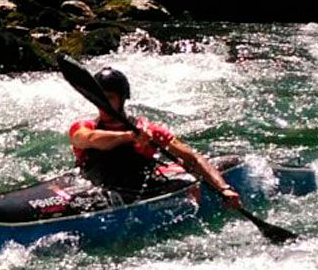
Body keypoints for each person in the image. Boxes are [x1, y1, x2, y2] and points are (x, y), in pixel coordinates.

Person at [68, 67, 242, 207]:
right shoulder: (85, 127)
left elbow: (193, 158)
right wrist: (128, 136)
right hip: (92, 186)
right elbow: (87, 138)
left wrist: (223, 188)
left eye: (109, 98)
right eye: (99, 99)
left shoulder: (148, 131)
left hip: (137, 189)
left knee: (187, 183)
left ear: (122, 99)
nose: (103, 104)